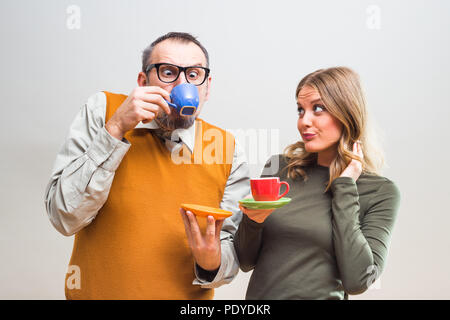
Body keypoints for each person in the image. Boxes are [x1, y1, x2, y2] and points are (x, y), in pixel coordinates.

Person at [44, 32, 250, 299]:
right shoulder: (105, 112)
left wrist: (211, 261)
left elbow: (231, 255)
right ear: (143, 81)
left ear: (206, 87)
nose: (181, 84)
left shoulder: (226, 148)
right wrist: (116, 129)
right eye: (168, 72)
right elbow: (64, 217)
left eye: (193, 74)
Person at [234, 67, 400, 300]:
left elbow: (357, 281)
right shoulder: (279, 169)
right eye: (301, 110)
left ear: (347, 113)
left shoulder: (380, 191)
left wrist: (344, 187)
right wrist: (253, 221)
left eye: (318, 109)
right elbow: (245, 259)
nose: (304, 121)